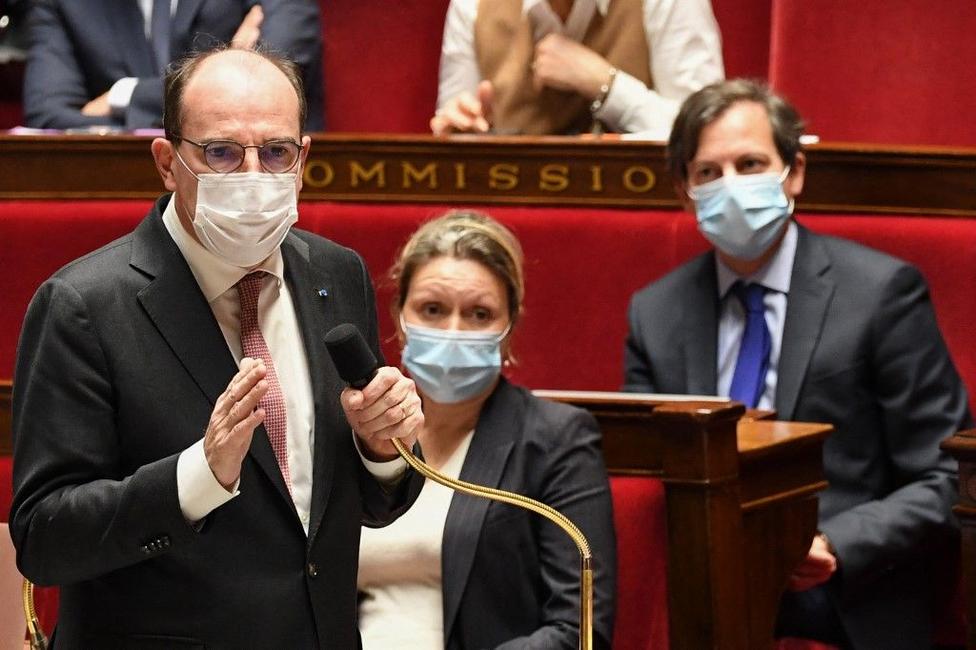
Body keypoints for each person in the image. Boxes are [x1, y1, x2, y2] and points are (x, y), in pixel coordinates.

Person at [10, 46, 421, 648]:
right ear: (167, 162)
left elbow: (342, 511)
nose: (253, 177)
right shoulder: (84, 306)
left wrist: (380, 450)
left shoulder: (337, 274)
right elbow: (45, 539)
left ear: (303, 158)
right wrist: (197, 476)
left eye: (276, 152)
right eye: (222, 153)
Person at [622, 79, 970, 649]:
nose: (730, 186)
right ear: (684, 192)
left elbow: (947, 476)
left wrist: (834, 544)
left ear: (795, 172)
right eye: (708, 172)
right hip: (697, 588)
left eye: (751, 163)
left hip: (841, 591)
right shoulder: (655, 313)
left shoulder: (882, 293)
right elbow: (643, 477)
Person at [356, 211, 617, 649]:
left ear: (509, 327)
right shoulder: (361, 430)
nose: (453, 331)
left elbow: (580, 629)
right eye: (432, 310)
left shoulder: (556, 441)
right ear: (399, 317)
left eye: (479, 314)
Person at [431, 0, 723, 137]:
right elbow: (456, 142)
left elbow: (706, 138)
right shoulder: (472, 6)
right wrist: (461, 129)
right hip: (512, 207)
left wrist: (608, 87)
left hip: (636, 207)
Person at [23, 0, 325, 131]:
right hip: (121, 182)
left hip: (249, 178)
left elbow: (268, 82)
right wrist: (232, 65)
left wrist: (126, 97)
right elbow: (48, 116)